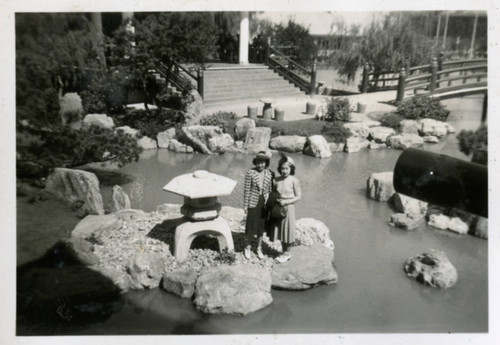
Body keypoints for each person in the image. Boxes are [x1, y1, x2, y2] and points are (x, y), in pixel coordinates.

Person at [243, 151, 274, 260]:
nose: (260, 165)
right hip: (253, 201)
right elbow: (247, 190)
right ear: (255, 162)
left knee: (261, 225)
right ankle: (247, 247)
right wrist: (245, 206)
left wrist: (269, 201)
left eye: (263, 162)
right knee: (250, 225)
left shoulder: (269, 174)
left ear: (266, 163)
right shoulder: (250, 173)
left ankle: (259, 248)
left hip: (264, 202)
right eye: (258, 162)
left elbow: (269, 190)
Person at [271, 155, 301, 263]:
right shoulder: (276, 180)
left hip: (289, 206)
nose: (284, 171)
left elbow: (298, 197)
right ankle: (283, 251)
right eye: (282, 169)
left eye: (287, 169)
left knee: (288, 229)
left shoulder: (294, 181)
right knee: (281, 229)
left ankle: (287, 253)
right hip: (279, 207)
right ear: (280, 169)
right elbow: (273, 193)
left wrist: (286, 202)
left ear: (291, 169)